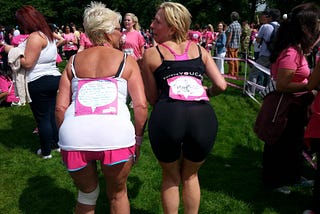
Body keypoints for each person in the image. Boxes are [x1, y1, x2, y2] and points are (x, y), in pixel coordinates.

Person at [55, 2, 148, 213]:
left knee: (87, 195)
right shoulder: (127, 60)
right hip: (116, 137)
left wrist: (64, 140)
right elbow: (141, 106)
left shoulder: (73, 62)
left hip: (74, 137)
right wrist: (138, 141)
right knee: (118, 194)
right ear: (107, 33)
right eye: (117, 29)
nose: (121, 34)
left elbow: (60, 108)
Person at [141, 2, 227, 213]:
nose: (152, 25)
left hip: (168, 116)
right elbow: (222, 85)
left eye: (157, 21)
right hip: (202, 117)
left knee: (171, 177)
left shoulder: (152, 54)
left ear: (172, 27)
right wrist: (207, 93)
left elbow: (151, 97)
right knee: (191, 175)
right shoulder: (200, 50)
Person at [261, 2, 319, 195]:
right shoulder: (291, 52)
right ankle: (274, 180)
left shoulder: (298, 49)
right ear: (306, 26)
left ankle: (292, 175)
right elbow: (282, 85)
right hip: (286, 105)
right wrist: (309, 85)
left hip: (296, 104)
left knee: (293, 143)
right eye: (315, 22)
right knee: (279, 143)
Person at [1, 6, 62, 158]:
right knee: (50, 115)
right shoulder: (48, 34)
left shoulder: (35, 37)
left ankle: (46, 152)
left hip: (39, 81)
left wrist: (10, 50)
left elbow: (28, 63)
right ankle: (56, 144)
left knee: (42, 118)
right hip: (53, 78)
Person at [247, 8, 281, 96]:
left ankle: (251, 92)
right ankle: (268, 93)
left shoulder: (265, 26)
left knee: (254, 73)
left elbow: (258, 40)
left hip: (265, 54)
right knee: (270, 75)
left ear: (270, 17)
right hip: (275, 55)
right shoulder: (280, 27)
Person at [225, 11, 241, 77]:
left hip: (231, 44)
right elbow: (240, 34)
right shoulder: (239, 25)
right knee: (236, 59)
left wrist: (226, 44)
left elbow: (230, 36)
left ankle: (231, 73)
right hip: (237, 45)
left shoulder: (231, 25)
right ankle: (236, 73)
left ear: (232, 17)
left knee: (231, 59)